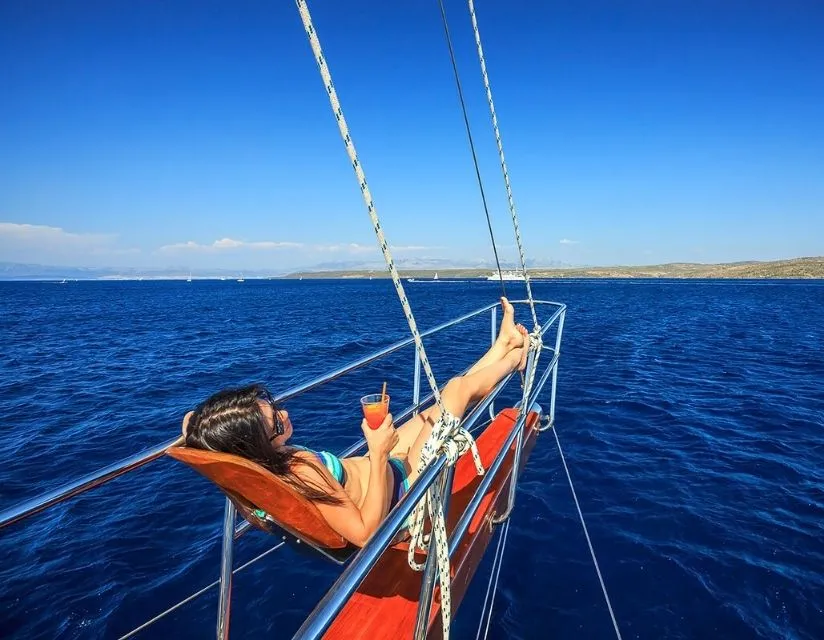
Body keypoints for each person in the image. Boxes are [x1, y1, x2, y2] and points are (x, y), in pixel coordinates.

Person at [182, 298, 529, 547]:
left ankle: (502, 345)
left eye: (274, 405)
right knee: (456, 391)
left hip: (387, 472)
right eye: (275, 424)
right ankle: (517, 357)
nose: (284, 415)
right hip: (398, 500)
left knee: (436, 409)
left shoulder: (246, 472)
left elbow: (191, 426)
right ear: (255, 446)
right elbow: (365, 534)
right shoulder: (300, 467)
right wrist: (377, 454)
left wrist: (199, 432)